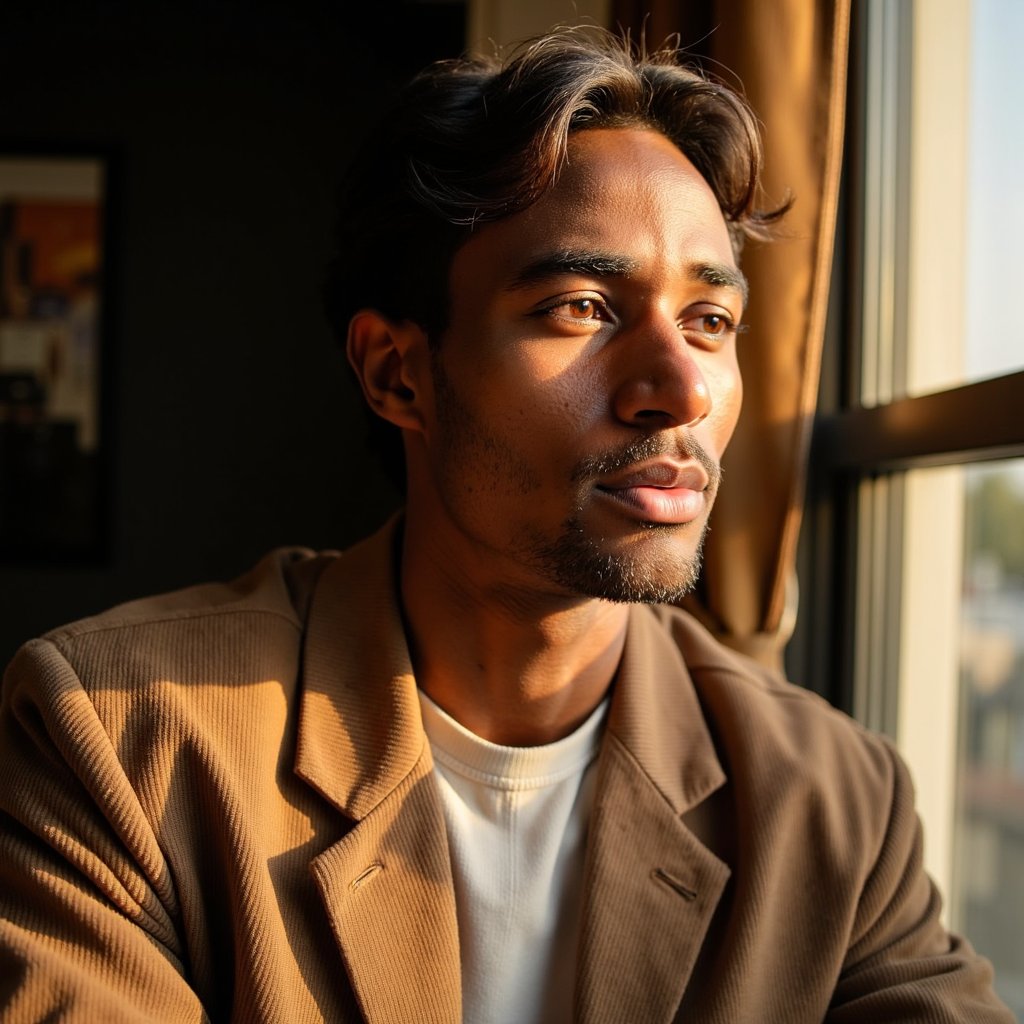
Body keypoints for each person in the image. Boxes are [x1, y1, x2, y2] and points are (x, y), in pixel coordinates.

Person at [0, 28, 1013, 1024]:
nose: (681, 390)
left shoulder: (833, 801)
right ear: (398, 373)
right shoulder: (117, 735)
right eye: (582, 307)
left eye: (709, 322)